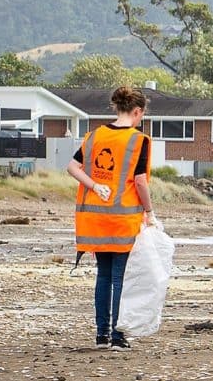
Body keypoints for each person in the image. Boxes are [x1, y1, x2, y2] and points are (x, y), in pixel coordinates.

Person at [66, 85, 155, 350]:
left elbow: (72, 167)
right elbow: (140, 182)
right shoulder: (139, 140)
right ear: (138, 112)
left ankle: (101, 335)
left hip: (93, 220)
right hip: (122, 221)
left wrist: (93, 186)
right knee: (119, 279)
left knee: (103, 277)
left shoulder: (94, 136)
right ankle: (118, 336)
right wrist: (149, 212)